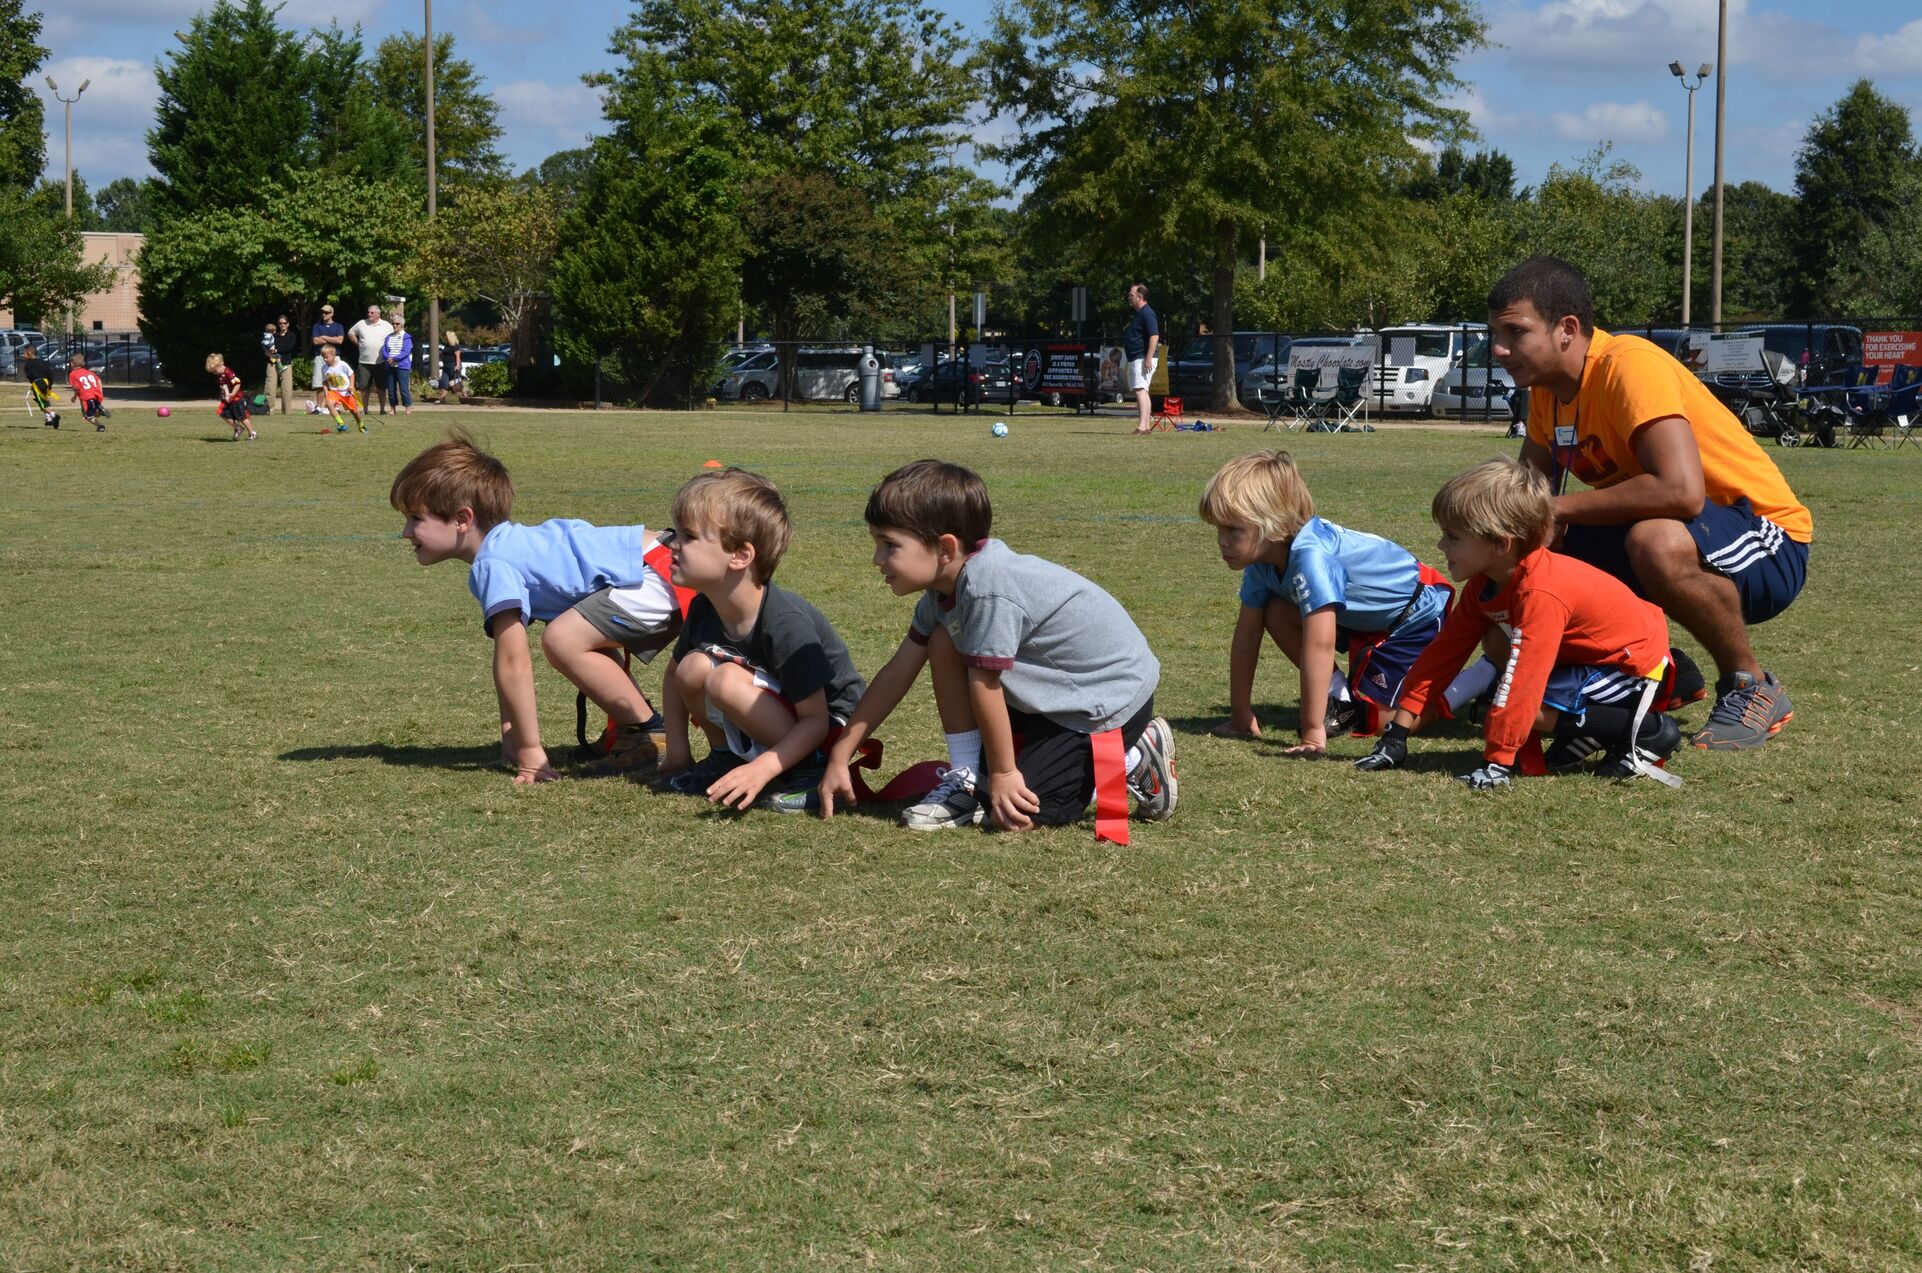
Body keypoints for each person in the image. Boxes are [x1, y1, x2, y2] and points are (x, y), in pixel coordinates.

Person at [1489, 255, 1811, 750]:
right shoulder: (1546, 394)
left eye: (1515, 332)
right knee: (1537, 563)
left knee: (1654, 540)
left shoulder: (1628, 365)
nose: (1499, 348)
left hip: (1766, 540)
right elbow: (1531, 499)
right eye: (1496, 334)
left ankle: (1752, 686)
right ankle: (1648, 679)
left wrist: (1554, 512)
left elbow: (1679, 492)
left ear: (1567, 329)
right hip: (1681, 533)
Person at [815, 459, 1175, 832]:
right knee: (943, 640)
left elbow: (984, 685)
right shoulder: (944, 590)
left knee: (1019, 815)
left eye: (889, 545)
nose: (877, 559)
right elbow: (897, 673)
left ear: (945, 548)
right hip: (1051, 696)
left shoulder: (988, 588)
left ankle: (1134, 754)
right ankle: (967, 779)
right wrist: (842, 752)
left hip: (1103, 698)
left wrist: (1003, 773)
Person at [1354, 459, 1684, 788]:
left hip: (1634, 665)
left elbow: (1525, 678)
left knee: (1511, 701)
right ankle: (1595, 729)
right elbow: (1443, 654)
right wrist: (1396, 734)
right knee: (1505, 690)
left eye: (1453, 537)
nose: (1441, 546)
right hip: (1588, 662)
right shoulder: (1484, 583)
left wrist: (1496, 762)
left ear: (1501, 544)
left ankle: (1651, 731)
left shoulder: (1541, 590)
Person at [391, 432, 684, 783]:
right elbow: (507, 663)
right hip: (665, 564)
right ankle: (637, 731)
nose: (406, 533)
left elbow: (513, 660)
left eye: (415, 519)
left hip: (660, 572)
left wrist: (530, 750)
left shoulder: (494, 562)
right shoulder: (505, 548)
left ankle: (648, 734)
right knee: (572, 635)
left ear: (462, 519)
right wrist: (513, 734)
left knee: (562, 638)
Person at [1198, 450, 1454, 755]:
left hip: (1416, 614)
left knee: (1385, 721)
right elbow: (1247, 636)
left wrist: (1312, 731)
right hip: (1361, 619)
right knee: (1277, 612)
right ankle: (1341, 697)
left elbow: (1320, 645)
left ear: (1275, 526)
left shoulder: (1311, 557)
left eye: (1234, 529)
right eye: (1218, 527)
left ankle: (1472, 683)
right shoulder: (1261, 561)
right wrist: (1240, 714)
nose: (1221, 540)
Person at [652, 467, 866, 812]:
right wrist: (678, 751)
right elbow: (673, 676)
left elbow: (816, 719)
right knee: (691, 668)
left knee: (724, 680)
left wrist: (762, 769)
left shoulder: (784, 623)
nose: (672, 544)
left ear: (740, 556)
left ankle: (812, 773)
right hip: (779, 715)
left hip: (828, 730)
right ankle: (724, 757)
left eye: (688, 536)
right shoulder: (706, 605)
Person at [1124, 283, 1161, 435]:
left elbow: (1154, 336)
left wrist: (1148, 358)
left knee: (1140, 390)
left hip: (1142, 358)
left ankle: (1142, 426)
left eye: (1131, 295)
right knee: (1143, 391)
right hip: (1138, 357)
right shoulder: (1140, 314)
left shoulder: (1147, 313)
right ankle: (1145, 427)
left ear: (1139, 297)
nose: (1129, 297)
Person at [348, 303, 394, 414]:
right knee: (364, 388)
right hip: (364, 361)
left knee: (381, 387)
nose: (369, 314)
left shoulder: (387, 325)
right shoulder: (361, 323)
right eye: (368, 312)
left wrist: (390, 353)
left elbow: (393, 339)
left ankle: (382, 409)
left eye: (372, 312)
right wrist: (358, 344)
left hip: (381, 361)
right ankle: (365, 409)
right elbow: (350, 333)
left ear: (378, 314)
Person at [206, 352, 257, 441]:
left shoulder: (229, 372)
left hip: (237, 399)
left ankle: (252, 432)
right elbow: (223, 386)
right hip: (228, 400)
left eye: (215, 371)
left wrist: (233, 393)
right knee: (222, 413)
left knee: (241, 417)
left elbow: (237, 383)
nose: (214, 373)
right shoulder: (220, 375)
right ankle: (238, 428)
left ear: (220, 365)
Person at [317, 346, 364, 432]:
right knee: (329, 403)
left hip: (346, 392)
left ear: (334, 355)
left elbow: (351, 374)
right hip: (334, 392)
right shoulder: (324, 368)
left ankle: (361, 425)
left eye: (326, 357)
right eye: (323, 357)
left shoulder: (342, 364)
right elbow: (324, 381)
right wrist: (325, 390)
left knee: (354, 412)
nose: (325, 359)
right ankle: (341, 424)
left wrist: (351, 385)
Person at [310, 304, 345, 402]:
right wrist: (333, 339)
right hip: (320, 357)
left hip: (335, 357)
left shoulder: (338, 326)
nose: (324, 314)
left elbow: (340, 341)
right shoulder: (317, 326)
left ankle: (335, 406)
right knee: (319, 383)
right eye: (322, 312)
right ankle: (319, 407)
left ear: (332, 314)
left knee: (336, 383)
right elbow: (316, 341)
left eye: (326, 312)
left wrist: (324, 337)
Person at [67, 352, 109, 431]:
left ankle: (100, 426)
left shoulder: (73, 374)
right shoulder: (89, 372)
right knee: (93, 413)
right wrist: (100, 393)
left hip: (86, 397)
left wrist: (74, 397)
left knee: (88, 416)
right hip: (96, 394)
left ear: (72, 364)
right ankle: (100, 411)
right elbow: (99, 380)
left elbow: (77, 388)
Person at [382, 312, 414, 415]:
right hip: (390, 366)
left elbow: (406, 351)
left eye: (397, 324)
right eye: (393, 324)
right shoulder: (388, 337)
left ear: (402, 324)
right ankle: (393, 409)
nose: (395, 325)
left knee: (404, 388)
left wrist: (395, 359)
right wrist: (388, 358)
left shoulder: (406, 337)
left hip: (402, 366)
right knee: (391, 389)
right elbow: (384, 350)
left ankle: (407, 408)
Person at [269, 314, 299, 413]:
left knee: (286, 389)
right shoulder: (273, 336)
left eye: (284, 323)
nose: (282, 325)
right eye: (280, 323)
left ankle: (287, 412)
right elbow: (267, 347)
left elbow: (288, 348)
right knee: (270, 387)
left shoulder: (292, 336)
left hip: (286, 363)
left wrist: (275, 350)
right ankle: (269, 410)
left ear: (288, 324)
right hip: (272, 363)